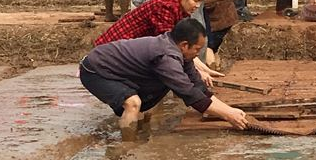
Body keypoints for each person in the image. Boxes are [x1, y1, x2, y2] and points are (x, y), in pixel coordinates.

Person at [80, 18, 248, 141]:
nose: (198, 54)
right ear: (184, 45)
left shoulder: (180, 53)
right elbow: (189, 94)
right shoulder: (166, 57)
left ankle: (137, 136)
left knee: (143, 109)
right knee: (133, 103)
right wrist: (228, 115)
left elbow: (198, 88)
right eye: (197, 49)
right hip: (96, 70)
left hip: (117, 69)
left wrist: (229, 110)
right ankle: (127, 147)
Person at [97, 0, 222, 84]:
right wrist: (197, 73)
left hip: (127, 49)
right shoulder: (165, 8)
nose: (198, 6)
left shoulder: (180, 10)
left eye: (201, 2)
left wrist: (203, 69)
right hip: (112, 50)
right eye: (196, 1)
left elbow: (182, 48)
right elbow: (172, 46)